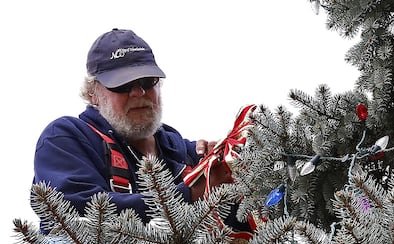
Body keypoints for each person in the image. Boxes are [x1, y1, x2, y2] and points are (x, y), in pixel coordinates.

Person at [31, 28, 246, 233]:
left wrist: (228, 171)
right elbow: (75, 213)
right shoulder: (65, 138)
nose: (138, 92)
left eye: (147, 81)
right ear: (92, 93)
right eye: (122, 84)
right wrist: (189, 194)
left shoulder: (185, 153)